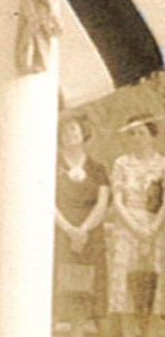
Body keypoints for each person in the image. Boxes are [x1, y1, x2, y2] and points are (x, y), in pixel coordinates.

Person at [53, 114, 110, 337]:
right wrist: (68, 229)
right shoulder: (50, 163)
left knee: (86, 289)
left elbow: (102, 201)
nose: (70, 135)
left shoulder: (97, 167)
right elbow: (46, 200)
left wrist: (83, 230)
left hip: (90, 235)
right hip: (59, 231)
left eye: (74, 130)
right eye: (65, 132)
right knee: (56, 285)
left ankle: (78, 333)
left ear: (83, 133)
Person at [109, 114, 165, 337]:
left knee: (154, 279)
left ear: (152, 134)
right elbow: (118, 199)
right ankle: (128, 332)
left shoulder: (162, 163)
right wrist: (134, 226)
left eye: (141, 132)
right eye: (132, 133)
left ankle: (152, 331)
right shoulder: (122, 163)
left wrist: (152, 229)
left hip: (156, 227)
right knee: (125, 281)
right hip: (127, 227)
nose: (137, 138)